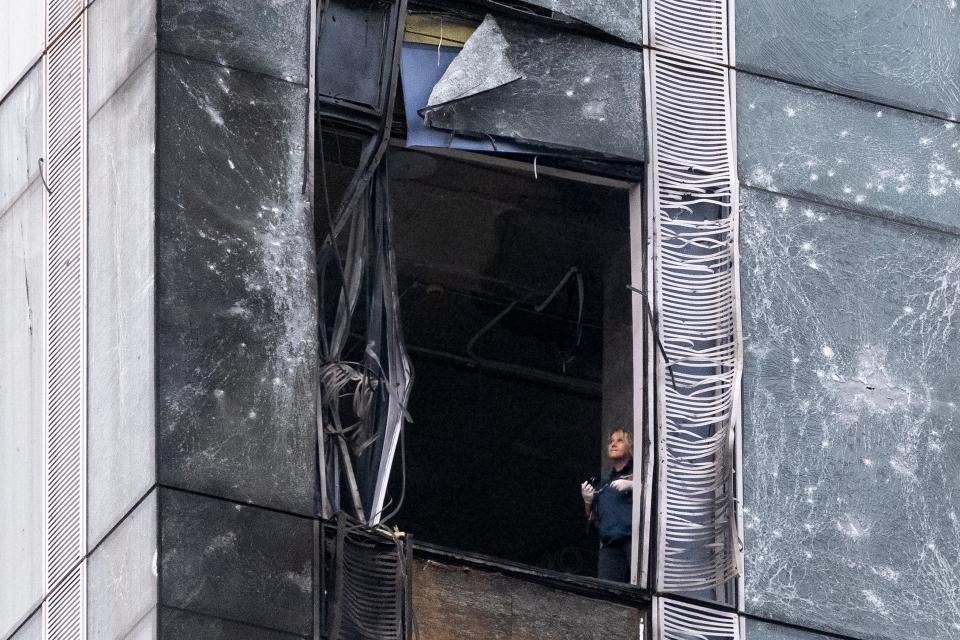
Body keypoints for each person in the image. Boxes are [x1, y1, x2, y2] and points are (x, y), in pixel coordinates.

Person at [580, 429, 634, 582]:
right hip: (610, 544)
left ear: (630, 445)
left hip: (633, 539)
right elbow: (591, 521)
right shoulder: (603, 484)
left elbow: (657, 494)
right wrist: (588, 501)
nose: (613, 444)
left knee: (641, 586)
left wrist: (635, 485)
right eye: (610, 441)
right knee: (607, 590)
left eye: (619, 440)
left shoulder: (641, 472)